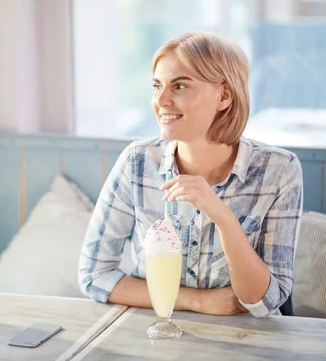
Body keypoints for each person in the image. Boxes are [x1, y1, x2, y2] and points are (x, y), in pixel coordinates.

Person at [78, 31, 303, 317]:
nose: (161, 101)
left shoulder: (279, 170)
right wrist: (197, 301)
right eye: (157, 86)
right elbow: (94, 275)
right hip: (155, 334)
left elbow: (264, 302)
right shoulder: (138, 161)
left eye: (180, 86)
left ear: (224, 95)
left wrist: (222, 217)